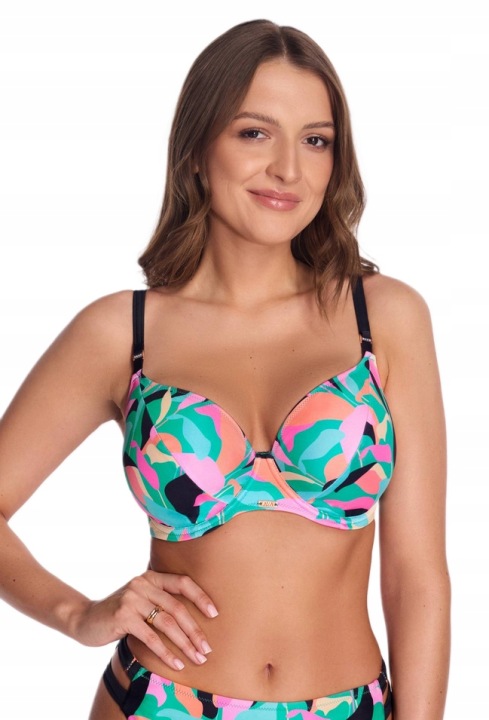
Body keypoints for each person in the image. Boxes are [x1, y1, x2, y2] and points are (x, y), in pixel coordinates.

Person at [0, 18, 450, 720]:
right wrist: (76, 613)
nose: (288, 170)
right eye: (254, 133)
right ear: (195, 149)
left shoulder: (384, 318)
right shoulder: (122, 333)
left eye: (315, 140)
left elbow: (416, 577)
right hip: (158, 702)